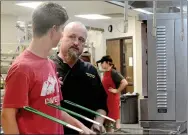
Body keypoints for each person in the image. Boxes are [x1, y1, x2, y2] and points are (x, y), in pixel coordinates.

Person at [1, 3, 94, 134]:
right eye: (61, 30)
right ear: (53, 30)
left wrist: (81, 127)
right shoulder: (22, 68)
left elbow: (55, 109)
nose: (62, 35)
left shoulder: (50, 64)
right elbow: (7, 117)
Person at [51, 21, 108, 134]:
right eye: (72, 37)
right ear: (61, 37)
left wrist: (98, 122)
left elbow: (101, 105)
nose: (76, 43)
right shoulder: (48, 67)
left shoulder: (90, 70)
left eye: (81, 40)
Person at [97, 55, 128, 132]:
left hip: (112, 100)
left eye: (102, 62)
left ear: (107, 63)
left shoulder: (114, 73)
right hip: (106, 100)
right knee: (108, 122)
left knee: (111, 122)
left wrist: (117, 90)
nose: (101, 64)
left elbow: (124, 82)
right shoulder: (105, 73)